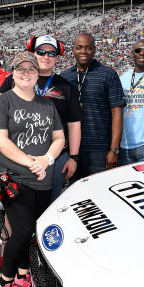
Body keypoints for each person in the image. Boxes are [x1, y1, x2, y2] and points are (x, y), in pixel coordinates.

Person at [0, 36, 82, 284]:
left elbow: (72, 125)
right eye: (41, 51)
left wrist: (68, 157)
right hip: (17, 166)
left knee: (39, 222)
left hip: (51, 163)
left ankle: (29, 269)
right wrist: (32, 161)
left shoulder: (63, 87)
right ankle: (7, 264)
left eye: (51, 53)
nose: (46, 56)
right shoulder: (8, 87)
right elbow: (1, 131)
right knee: (16, 223)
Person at [0, 52, 64, 287]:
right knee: (21, 231)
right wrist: (32, 162)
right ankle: (6, 279)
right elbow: (0, 140)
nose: (25, 73)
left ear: (37, 73)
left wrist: (47, 160)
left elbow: (59, 139)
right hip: (14, 177)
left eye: (30, 69)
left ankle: (23, 275)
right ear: (12, 73)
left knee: (32, 232)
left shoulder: (47, 104)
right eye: (20, 69)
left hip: (43, 178)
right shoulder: (3, 101)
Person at [59, 33, 124, 179]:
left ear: (94, 49)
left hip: (100, 149)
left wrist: (114, 149)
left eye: (88, 48)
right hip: (73, 151)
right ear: (73, 50)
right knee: (76, 193)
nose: (83, 51)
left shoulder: (108, 74)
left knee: (101, 192)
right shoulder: (64, 77)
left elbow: (117, 113)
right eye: (79, 47)